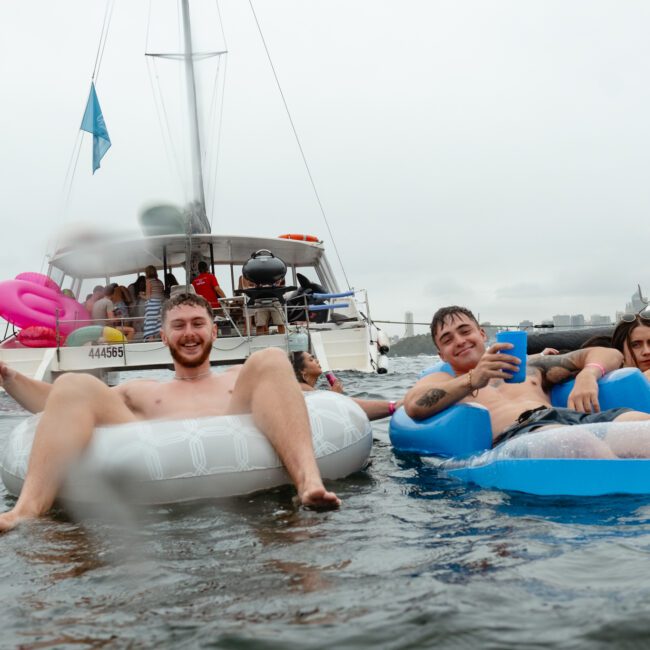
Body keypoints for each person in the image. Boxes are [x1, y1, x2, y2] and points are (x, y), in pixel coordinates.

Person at [0, 293, 340, 533]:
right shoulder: (143, 390)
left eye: (197, 323)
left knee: (269, 357)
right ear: (163, 336)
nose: (189, 333)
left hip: (245, 485)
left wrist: (382, 410)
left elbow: (304, 401)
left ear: (214, 331)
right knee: (73, 381)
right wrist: (9, 376)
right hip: (151, 501)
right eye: (178, 326)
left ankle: (309, 483)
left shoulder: (242, 378)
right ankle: (26, 510)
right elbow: (62, 406)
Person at [403, 306, 650, 455]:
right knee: (578, 442)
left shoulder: (528, 365)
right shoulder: (443, 378)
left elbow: (610, 354)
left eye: (465, 331)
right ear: (441, 354)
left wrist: (588, 374)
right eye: (447, 339)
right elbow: (414, 406)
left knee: (642, 426)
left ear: (481, 334)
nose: (459, 341)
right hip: (521, 431)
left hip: (568, 418)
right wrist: (473, 379)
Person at [289, 351, 401, 421]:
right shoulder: (301, 387)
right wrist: (334, 396)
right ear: (303, 371)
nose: (317, 360)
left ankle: (394, 407)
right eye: (311, 359)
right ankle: (395, 407)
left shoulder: (306, 389)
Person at [142, 265, 165, 341]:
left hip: (152, 305)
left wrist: (141, 295)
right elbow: (162, 295)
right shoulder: (160, 282)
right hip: (160, 304)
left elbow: (148, 297)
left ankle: (150, 342)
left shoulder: (149, 282)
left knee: (150, 325)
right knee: (158, 323)